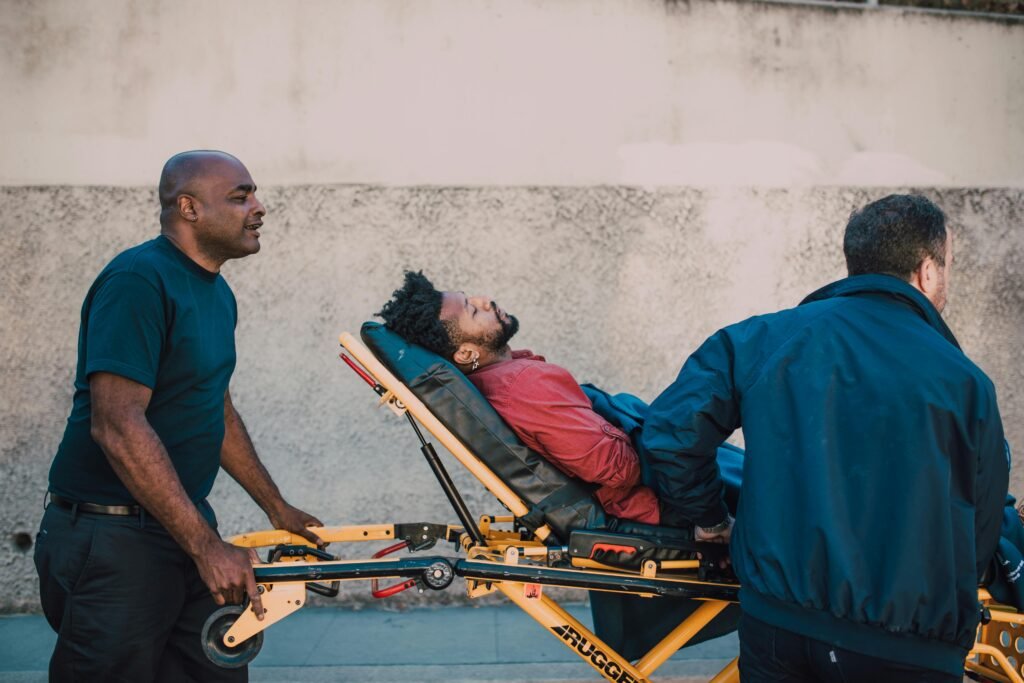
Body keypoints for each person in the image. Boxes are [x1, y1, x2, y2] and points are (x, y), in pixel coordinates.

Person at [641, 194, 1009, 682]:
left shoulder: (760, 340)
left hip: (778, 628)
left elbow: (671, 433)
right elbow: (979, 528)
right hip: (908, 648)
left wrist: (710, 520)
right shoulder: (966, 383)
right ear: (926, 272)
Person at [34, 150, 324, 682]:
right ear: (188, 207)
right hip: (111, 541)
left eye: (254, 194)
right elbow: (116, 425)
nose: (258, 207)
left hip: (179, 528)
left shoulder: (217, 292)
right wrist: (207, 546)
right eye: (240, 196)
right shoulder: (139, 280)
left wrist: (276, 507)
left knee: (213, 670)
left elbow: (213, 404)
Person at [378, 270, 675, 526]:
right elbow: (617, 469)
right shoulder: (523, 386)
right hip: (654, 509)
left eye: (470, 297)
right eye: (473, 310)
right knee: (717, 365)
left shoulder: (498, 384)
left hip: (637, 503)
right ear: (466, 353)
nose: (486, 301)